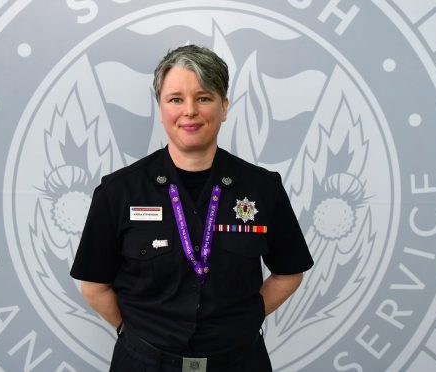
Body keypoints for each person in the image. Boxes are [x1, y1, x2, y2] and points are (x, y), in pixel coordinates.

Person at [70, 44, 313, 371]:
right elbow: (94, 286)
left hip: (239, 361)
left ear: (224, 107)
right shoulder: (118, 192)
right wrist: (138, 333)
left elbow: (289, 272)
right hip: (144, 362)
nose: (190, 111)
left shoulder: (262, 188)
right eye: (175, 99)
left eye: (204, 98)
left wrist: (243, 320)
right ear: (160, 108)